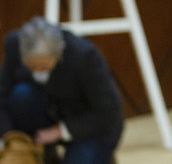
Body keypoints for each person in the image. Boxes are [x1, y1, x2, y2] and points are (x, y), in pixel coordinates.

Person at [0, 17, 123, 164]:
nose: (38, 71)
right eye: (32, 66)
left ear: (59, 54)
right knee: (22, 95)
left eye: (44, 66)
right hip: (47, 113)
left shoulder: (84, 56)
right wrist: (9, 137)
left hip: (89, 128)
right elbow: (2, 96)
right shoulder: (15, 45)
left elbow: (108, 114)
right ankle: (45, 153)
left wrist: (60, 131)